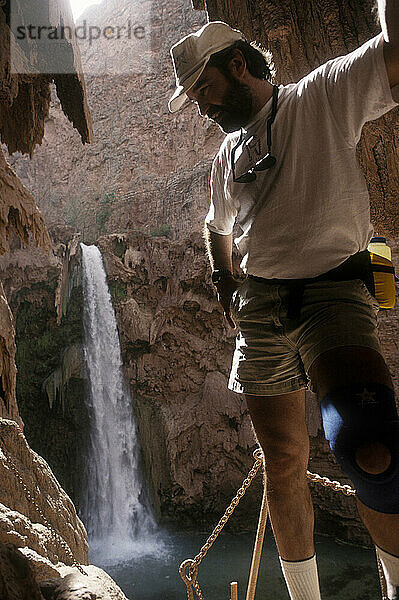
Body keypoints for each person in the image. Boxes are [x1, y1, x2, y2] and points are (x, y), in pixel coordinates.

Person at [168, 4, 399, 599]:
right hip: (259, 309)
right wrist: (226, 284)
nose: (201, 106)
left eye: (205, 90)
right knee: (283, 470)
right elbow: (215, 226)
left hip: (333, 293)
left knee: (371, 446)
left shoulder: (319, 98)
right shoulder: (225, 157)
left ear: (239, 64)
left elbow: (393, 56)